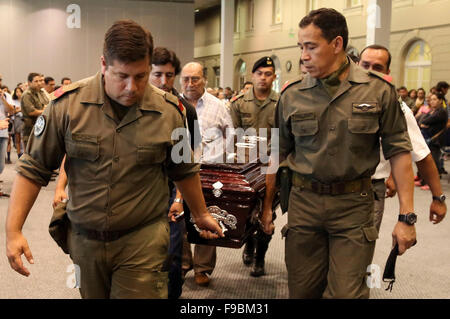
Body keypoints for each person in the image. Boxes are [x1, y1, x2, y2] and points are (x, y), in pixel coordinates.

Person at [5, 19, 223, 299]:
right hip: (85, 240)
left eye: (141, 76)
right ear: (104, 64)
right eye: (122, 76)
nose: (132, 87)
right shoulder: (66, 106)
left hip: (141, 239)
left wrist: (202, 213)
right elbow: (32, 169)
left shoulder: (170, 112)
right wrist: (14, 230)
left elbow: (184, 169)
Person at [262, 8, 416, 299]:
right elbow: (277, 153)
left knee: (348, 294)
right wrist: (267, 205)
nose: (304, 56)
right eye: (301, 47)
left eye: (311, 47)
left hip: (353, 206)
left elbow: (399, 153)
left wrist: (406, 216)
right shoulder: (292, 94)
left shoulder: (377, 91)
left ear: (336, 44)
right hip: (304, 205)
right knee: (302, 291)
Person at [359, 44, 446, 230]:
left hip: (367, 194)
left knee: (355, 257)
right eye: (365, 65)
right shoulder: (340, 100)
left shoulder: (397, 108)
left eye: (377, 67)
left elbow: (421, 155)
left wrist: (438, 197)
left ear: (387, 72)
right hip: (326, 196)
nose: (369, 72)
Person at [149, 46, 201, 299]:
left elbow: (187, 160)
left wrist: (180, 199)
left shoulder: (185, 110)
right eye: (158, 74)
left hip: (171, 193)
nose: (164, 81)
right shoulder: (133, 105)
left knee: (171, 260)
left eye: (169, 75)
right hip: (141, 192)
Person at [180, 61, 234, 287]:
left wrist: (224, 168)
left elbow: (230, 136)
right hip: (180, 172)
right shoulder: (173, 104)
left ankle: (203, 268)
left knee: (208, 217)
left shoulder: (218, 106)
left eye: (196, 79)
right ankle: (183, 263)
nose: (190, 83)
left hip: (209, 172)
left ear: (204, 80)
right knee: (179, 217)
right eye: (186, 79)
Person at [229, 56, 279, 277]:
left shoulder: (281, 103)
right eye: (259, 74)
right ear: (253, 76)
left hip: (271, 168)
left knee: (268, 214)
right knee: (247, 212)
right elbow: (233, 136)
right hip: (246, 169)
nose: (263, 78)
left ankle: (260, 257)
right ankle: (249, 244)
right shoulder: (239, 103)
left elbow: (283, 138)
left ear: (274, 77)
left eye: (268, 74)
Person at [419, 92, 448, 175]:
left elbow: (425, 121)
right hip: (429, 138)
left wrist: (425, 124)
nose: (432, 101)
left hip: (436, 140)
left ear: (440, 100)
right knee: (426, 161)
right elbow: (421, 121)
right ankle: (423, 179)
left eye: (434, 99)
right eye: (431, 99)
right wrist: (424, 124)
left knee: (433, 161)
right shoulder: (433, 110)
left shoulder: (441, 111)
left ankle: (433, 180)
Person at [20, 72, 49, 147]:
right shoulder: (27, 94)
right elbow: (31, 112)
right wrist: (45, 110)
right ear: (29, 83)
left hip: (41, 128)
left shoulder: (41, 92)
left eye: (40, 81)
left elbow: (48, 104)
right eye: (36, 81)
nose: (39, 83)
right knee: (30, 155)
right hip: (30, 129)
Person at [0, 75, 14, 197]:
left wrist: (3, 98)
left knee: (1, 165)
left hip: (3, 134)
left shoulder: (5, 95)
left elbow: (11, 111)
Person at [11, 87, 24, 159]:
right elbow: (13, 111)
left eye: (20, 91)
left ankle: (24, 154)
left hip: (24, 119)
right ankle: (19, 154)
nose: (18, 93)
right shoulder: (13, 101)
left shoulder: (24, 100)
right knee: (17, 138)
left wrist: (19, 109)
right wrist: (19, 110)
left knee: (23, 138)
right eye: (17, 92)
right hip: (17, 119)